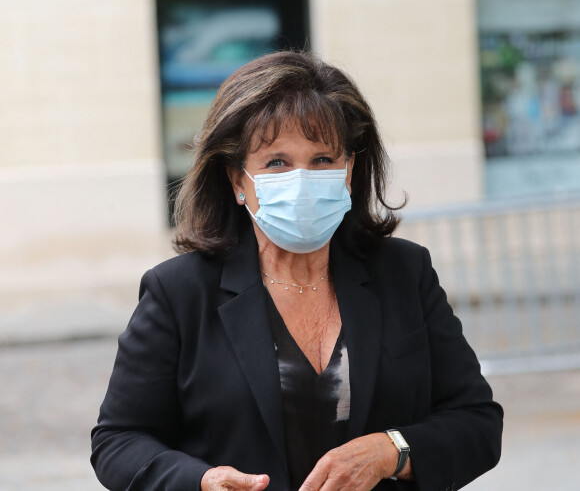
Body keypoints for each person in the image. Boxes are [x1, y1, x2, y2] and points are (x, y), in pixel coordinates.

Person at [91, 51, 503, 491]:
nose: (302, 179)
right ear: (237, 182)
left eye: (323, 160)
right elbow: (118, 440)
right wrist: (201, 481)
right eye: (277, 163)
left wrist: (391, 451)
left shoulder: (404, 271)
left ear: (349, 172)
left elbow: (477, 422)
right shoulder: (179, 292)